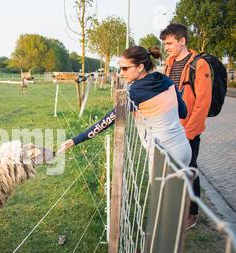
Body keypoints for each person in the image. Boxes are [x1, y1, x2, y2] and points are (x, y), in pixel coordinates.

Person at [57, 45, 192, 186]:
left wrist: (75, 140)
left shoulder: (135, 92)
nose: (121, 73)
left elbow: (108, 120)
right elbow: (183, 112)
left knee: (162, 205)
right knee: (179, 200)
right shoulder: (166, 80)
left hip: (163, 155)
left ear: (140, 67)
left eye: (125, 68)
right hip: (183, 148)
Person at [160, 23, 212, 230]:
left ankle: (192, 213)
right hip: (171, 126)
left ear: (182, 41)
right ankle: (174, 207)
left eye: (169, 43)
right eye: (165, 44)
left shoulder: (199, 65)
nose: (166, 47)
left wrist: (188, 132)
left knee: (190, 169)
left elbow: (203, 104)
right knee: (172, 168)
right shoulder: (169, 62)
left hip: (188, 130)